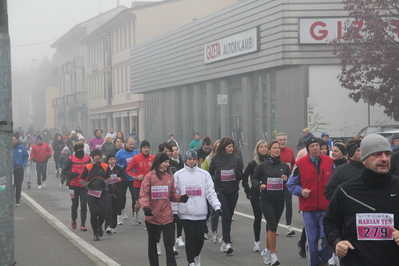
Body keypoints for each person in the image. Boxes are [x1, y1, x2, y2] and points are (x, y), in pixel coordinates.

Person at [323, 134, 399, 266]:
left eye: (387, 154)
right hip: (356, 261)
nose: (384, 159)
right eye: (377, 154)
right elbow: (330, 222)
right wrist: (337, 241)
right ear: (364, 160)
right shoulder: (345, 191)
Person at [287, 137, 334, 266]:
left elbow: (335, 181)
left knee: (326, 236)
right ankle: (314, 263)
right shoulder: (300, 164)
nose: (315, 148)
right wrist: (301, 191)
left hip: (325, 207)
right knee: (312, 240)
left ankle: (324, 259)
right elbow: (291, 184)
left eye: (317, 146)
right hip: (308, 209)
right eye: (312, 146)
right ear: (307, 149)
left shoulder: (329, 162)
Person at [139, 152, 189, 266]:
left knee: (169, 243)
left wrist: (181, 198)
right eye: (165, 162)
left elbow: (171, 195)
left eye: (168, 162)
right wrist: (146, 207)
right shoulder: (149, 177)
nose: (167, 164)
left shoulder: (170, 177)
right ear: (158, 162)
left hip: (167, 217)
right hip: (152, 216)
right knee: (152, 244)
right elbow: (143, 195)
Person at [173, 150, 222, 266]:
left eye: (194, 159)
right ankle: (191, 262)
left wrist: (217, 206)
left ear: (197, 160)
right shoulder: (178, 175)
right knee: (190, 237)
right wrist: (174, 211)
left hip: (200, 213)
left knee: (200, 239)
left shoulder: (204, 174)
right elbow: (174, 195)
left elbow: (210, 193)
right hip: (185, 212)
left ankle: (196, 256)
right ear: (186, 160)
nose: (191, 162)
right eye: (189, 159)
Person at [252, 141, 290, 265]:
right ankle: (274, 254)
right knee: (273, 226)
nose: (277, 150)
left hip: (279, 200)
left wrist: (286, 179)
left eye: (278, 148)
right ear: (269, 150)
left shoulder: (284, 166)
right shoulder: (263, 166)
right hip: (266, 199)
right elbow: (254, 178)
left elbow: (291, 181)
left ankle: (267, 250)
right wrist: (259, 185)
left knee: (271, 227)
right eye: (274, 148)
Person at [209, 137, 244, 255]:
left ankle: (224, 237)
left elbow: (241, 176)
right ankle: (227, 242)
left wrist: (236, 173)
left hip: (233, 191)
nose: (231, 148)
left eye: (232, 146)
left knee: (230, 216)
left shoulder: (237, 159)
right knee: (225, 215)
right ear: (224, 147)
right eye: (229, 146)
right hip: (221, 191)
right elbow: (210, 176)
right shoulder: (215, 160)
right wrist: (218, 177)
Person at [241, 140, 268, 252]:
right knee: (258, 217)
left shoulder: (270, 162)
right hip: (256, 194)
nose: (264, 148)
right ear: (257, 149)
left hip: (268, 194)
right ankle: (257, 242)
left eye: (266, 147)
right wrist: (248, 192)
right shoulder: (253, 164)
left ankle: (269, 243)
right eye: (261, 147)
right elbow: (244, 178)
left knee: (269, 219)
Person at [80, 149, 111, 241]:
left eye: (98, 155)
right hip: (91, 192)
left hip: (103, 191)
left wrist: (105, 183)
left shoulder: (105, 166)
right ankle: (95, 233)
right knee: (93, 212)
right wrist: (87, 184)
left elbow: (109, 177)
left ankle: (100, 225)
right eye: (95, 155)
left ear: (101, 156)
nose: (97, 157)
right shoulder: (88, 167)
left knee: (102, 213)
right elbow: (81, 179)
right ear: (92, 157)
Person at [62, 142, 91, 231]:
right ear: (75, 151)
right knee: (75, 204)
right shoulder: (71, 159)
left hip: (84, 185)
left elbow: (91, 169)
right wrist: (71, 174)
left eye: (82, 149)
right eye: (78, 150)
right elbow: (64, 171)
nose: (80, 151)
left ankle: (83, 224)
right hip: (73, 185)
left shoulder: (88, 158)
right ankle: (74, 219)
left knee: (84, 204)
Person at [126, 140, 155, 226]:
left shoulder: (153, 158)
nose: (146, 149)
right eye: (144, 148)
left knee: (149, 203)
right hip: (138, 184)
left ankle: (149, 220)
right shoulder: (136, 158)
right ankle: (136, 214)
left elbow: (156, 169)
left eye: (147, 148)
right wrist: (136, 176)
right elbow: (128, 170)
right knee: (138, 204)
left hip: (150, 184)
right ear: (141, 149)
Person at [276, 132, 296, 236]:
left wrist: (291, 178)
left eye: (284, 140)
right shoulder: (275, 151)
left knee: (289, 204)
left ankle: (288, 226)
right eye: (280, 140)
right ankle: (275, 226)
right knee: (278, 205)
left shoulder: (290, 151)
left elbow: (293, 164)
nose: (282, 142)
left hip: (287, 183)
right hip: (276, 184)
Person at [201, 139, 221, 243]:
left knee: (215, 211)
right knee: (207, 211)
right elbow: (204, 173)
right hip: (209, 188)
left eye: (220, 146)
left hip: (220, 188)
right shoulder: (208, 159)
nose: (218, 148)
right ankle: (204, 230)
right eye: (216, 146)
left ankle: (214, 233)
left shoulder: (225, 159)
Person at [116, 137, 138, 224]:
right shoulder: (119, 153)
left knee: (134, 197)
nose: (132, 146)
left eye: (133, 144)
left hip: (132, 178)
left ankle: (134, 216)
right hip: (123, 178)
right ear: (125, 144)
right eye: (130, 144)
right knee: (121, 197)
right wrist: (123, 167)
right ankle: (119, 215)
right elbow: (115, 164)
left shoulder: (135, 152)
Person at [105, 153, 126, 234]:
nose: (113, 161)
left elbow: (124, 178)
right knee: (108, 208)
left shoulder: (119, 169)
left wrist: (120, 179)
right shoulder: (105, 168)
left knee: (115, 208)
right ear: (108, 161)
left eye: (114, 159)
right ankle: (108, 226)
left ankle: (113, 225)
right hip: (108, 190)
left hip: (117, 191)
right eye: (111, 159)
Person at [13, 134, 29, 206]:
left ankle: (17, 200)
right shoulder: (8, 147)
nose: (13, 141)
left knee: (18, 184)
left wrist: (23, 164)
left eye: (14, 140)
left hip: (19, 168)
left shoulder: (21, 147)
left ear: (17, 140)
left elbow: (26, 156)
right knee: (10, 185)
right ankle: (9, 199)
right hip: (10, 170)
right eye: (12, 140)